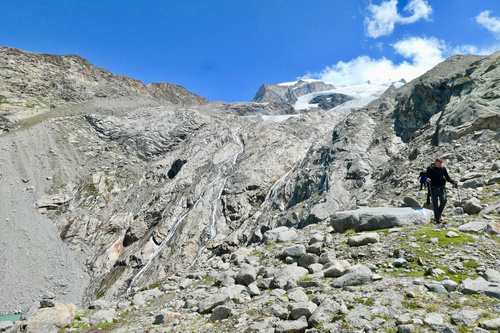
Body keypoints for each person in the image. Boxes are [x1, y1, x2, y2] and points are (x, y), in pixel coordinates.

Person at [423, 157, 458, 223]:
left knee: (444, 200)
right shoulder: (430, 169)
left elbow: (447, 178)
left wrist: (453, 182)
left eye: (440, 163)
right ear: (435, 162)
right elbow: (425, 176)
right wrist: (427, 179)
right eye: (438, 163)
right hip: (433, 188)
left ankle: (438, 214)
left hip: (441, 187)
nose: (439, 165)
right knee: (435, 203)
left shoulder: (443, 169)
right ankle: (437, 217)